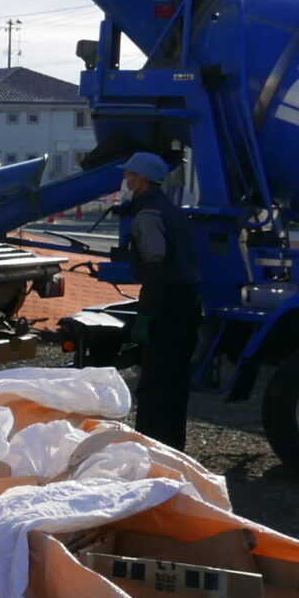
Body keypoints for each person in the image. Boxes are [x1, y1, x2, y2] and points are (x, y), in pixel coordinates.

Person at [113, 150, 200, 450]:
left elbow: (156, 269)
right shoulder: (171, 211)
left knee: (155, 384)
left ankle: (153, 448)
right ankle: (173, 447)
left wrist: (146, 316)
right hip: (187, 303)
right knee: (175, 382)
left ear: (142, 180)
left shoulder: (149, 217)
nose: (125, 180)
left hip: (167, 306)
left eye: (129, 175)